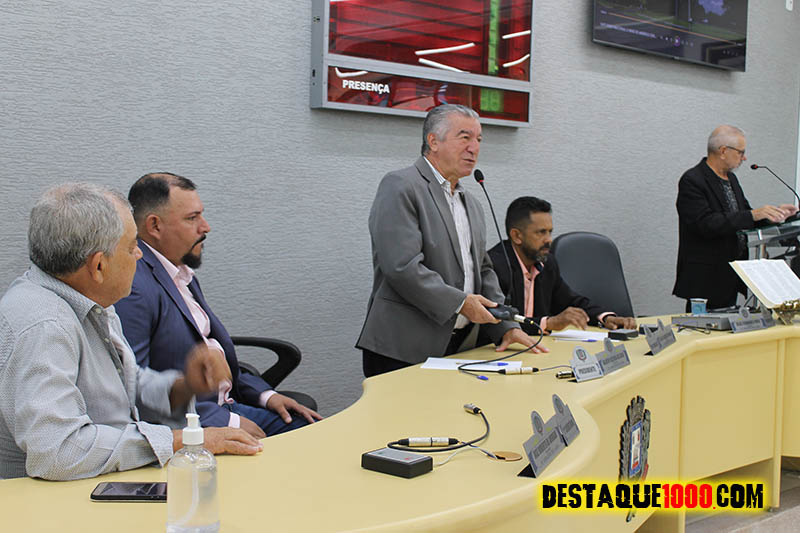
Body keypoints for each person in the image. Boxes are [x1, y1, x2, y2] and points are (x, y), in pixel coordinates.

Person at [0, 183, 262, 481]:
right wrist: (182, 441)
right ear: (99, 266)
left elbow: (127, 387)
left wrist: (185, 385)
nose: (139, 255)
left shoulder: (89, 299)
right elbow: (59, 451)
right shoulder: (45, 326)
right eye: (131, 246)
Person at [115, 173, 321, 439]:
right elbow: (134, 392)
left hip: (229, 402)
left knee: (315, 430)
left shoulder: (180, 273)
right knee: (312, 441)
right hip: (200, 421)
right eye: (192, 218)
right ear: (155, 226)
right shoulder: (135, 286)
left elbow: (216, 354)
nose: (206, 227)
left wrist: (267, 395)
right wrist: (228, 422)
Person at [356, 104, 544, 377]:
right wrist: (461, 303)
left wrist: (506, 326)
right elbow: (402, 266)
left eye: (478, 139)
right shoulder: (401, 186)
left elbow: (483, 270)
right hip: (403, 348)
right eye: (464, 137)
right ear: (433, 141)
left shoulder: (472, 204)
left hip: (460, 346)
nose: (474, 148)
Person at [673, 125, 798, 310]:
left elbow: (743, 215)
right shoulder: (693, 180)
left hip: (731, 272)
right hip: (706, 276)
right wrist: (753, 214)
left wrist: (775, 215)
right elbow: (705, 223)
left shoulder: (731, 179)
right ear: (723, 151)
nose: (744, 158)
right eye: (741, 152)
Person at [487, 196, 637, 335]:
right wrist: (548, 323)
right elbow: (500, 321)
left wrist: (605, 317)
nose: (549, 240)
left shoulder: (547, 263)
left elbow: (570, 301)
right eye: (541, 232)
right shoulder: (494, 266)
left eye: (550, 232)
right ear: (516, 236)